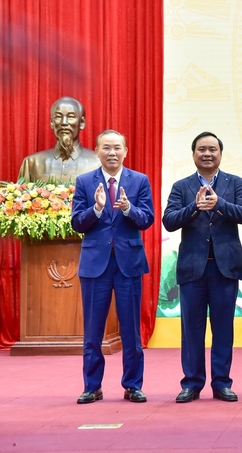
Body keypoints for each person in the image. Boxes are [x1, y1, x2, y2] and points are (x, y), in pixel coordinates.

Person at [162, 131, 242, 403]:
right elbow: (169, 221)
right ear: (193, 154)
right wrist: (194, 207)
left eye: (212, 149)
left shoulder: (234, 183)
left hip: (225, 269)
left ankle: (222, 383)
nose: (207, 153)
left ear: (220, 154)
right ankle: (191, 383)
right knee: (192, 330)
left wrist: (220, 204)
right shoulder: (181, 186)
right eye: (201, 149)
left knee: (223, 328)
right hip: (193, 270)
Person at [71, 130, 154, 404]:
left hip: (128, 264)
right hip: (96, 266)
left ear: (126, 151)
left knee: (131, 329)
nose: (112, 153)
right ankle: (92, 386)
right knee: (93, 330)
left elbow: (147, 220)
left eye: (117, 147)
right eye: (106, 148)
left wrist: (129, 208)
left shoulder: (139, 180)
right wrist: (96, 208)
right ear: (97, 151)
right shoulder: (85, 182)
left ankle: (133, 385)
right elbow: (77, 223)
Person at [19, 97, 101, 182]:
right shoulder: (32, 163)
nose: (64, 122)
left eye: (71, 117)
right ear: (52, 122)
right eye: (58, 117)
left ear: (82, 123)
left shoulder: (98, 163)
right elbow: (21, 193)